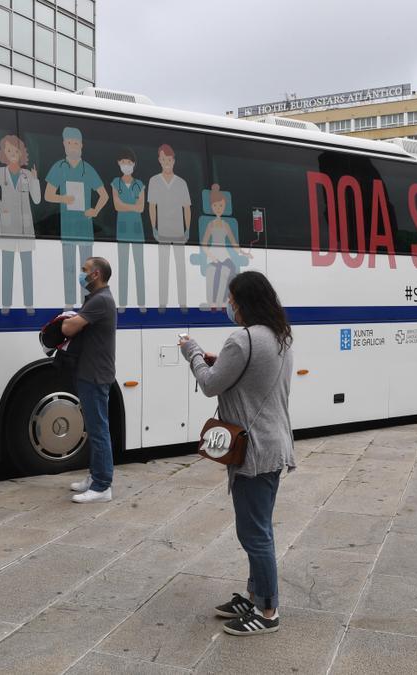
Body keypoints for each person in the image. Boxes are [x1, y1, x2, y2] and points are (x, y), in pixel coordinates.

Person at [178, 270, 294, 636]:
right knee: (259, 526)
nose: (229, 306)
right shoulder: (280, 336)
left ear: (244, 302)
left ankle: (268, 611)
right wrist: (219, 359)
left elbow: (211, 385)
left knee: (254, 533)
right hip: (274, 444)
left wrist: (193, 352)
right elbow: (249, 376)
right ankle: (254, 594)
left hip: (253, 451)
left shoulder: (241, 339)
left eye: (231, 300)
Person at [60, 256, 117, 504]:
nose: (81, 274)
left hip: (95, 374)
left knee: (98, 430)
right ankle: (94, 477)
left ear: (96, 275)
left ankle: (103, 486)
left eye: (85, 270)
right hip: (90, 372)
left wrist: (68, 321)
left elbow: (68, 329)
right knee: (94, 429)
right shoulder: (97, 299)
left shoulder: (101, 300)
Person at [45, 127, 108, 310]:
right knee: (69, 268)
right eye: (69, 142)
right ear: (64, 145)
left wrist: (94, 210)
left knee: (88, 271)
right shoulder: (59, 167)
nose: (73, 146)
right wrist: (63, 198)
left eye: (76, 143)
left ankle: (87, 301)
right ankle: (70, 303)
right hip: (67, 227)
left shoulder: (87, 169)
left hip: (86, 228)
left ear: (81, 145)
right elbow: (48, 194)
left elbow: (104, 196)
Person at [0, 135, 41, 315]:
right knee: (7, 268)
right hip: (8, 226)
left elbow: (36, 199)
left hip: (26, 228)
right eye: (9, 150)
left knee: (27, 269)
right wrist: (1, 207)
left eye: (16, 151)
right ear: (4, 153)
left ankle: (29, 304)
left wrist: (35, 180)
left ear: (21, 153)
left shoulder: (27, 174)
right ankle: (6, 304)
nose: (12, 153)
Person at [148, 144, 191, 313]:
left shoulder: (181, 183)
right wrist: (154, 227)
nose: (167, 162)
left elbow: (186, 208)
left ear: (174, 161)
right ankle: (163, 304)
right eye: (163, 159)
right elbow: (152, 206)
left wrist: (187, 229)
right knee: (163, 269)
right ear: (159, 160)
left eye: (169, 159)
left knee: (181, 270)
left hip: (179, 232)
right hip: (163, 232)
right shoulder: (154, 181)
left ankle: (182, 303)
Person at [198, 184, 251, 311]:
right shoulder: (210, 225)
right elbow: (204, 244)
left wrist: (244, 253)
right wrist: (211, 256)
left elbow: (234, 244)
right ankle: (212, 303)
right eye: (215, 206)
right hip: (213, 255)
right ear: (211, 207)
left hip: (224, 256)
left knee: (225, 272)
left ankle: (221, 302)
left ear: (224, 207)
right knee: (211, 271)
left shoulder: (226, 225)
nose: (218, 208)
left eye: (221, 205)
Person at [110, 148, 147, 313]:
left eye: (129, 163)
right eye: (124, 162)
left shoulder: (139, 184)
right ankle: (123, 303)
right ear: (119, 163)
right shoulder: (115, 183)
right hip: (122, 230)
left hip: (137, 230)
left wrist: (127, 206)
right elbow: (117, 205)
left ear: (134, 164)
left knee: (139, 267)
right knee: (123, 267)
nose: (126, 165)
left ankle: (141, 303)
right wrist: (132, 205)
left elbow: (141, 208)